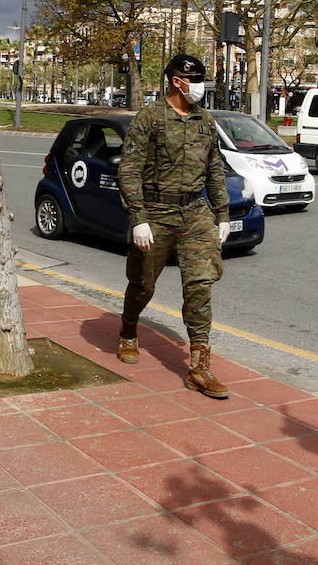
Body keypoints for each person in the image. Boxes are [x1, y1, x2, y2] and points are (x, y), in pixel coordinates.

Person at [115, 53, 231, 399]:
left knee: (200, 285)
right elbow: (129, 170)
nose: (199, 88)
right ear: (177, 82)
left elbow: (214, 170)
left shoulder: (205, 122)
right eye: (194, 81)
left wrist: (222, 214)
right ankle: (128, 328)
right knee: (142, 285)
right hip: (156, 211)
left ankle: (199, 368)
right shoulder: (150, 118)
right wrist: (138, 218)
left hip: (194, 213)